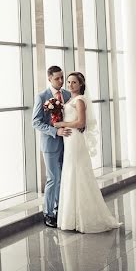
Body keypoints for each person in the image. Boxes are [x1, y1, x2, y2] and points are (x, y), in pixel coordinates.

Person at [53, 72, 120, 233]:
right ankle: (72, 218)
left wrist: (62, 123)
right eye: (68, 82)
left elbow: (81, 122)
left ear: (81, 85)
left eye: (74, 82)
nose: (70, 85)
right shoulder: (69, 99)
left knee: (78, 173)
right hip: (69, 140)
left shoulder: (80, 100)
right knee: (71, 174)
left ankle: (84, 219)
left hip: (75, 140)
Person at [32, 65, 72, 228]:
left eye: (62, 77)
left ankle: (61, 209)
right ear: (49, 78)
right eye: (57, 78)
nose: (61, 81)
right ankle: (49, 214)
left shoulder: (68, 95)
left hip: (68, 143)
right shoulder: (42, 96)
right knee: (53, 179)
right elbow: (36, 122)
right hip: (50, 144)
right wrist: (55, 132)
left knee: (64, 178)